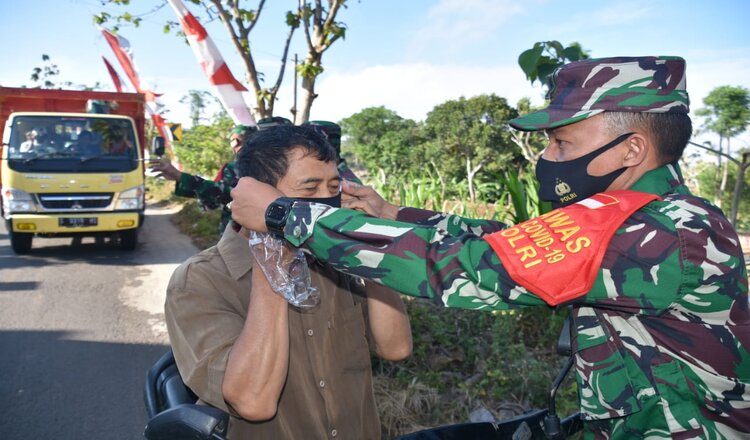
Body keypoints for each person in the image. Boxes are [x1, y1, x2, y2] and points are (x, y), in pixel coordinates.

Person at [229, 56, 750, 438]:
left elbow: (471, 268)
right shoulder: (629, 218)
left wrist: (283, 214)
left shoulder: (665, 232)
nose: (547, 156)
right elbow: (510, 243)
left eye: (562, 142)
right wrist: (393, 215)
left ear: (632, 148)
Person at [164, 124, 412, 439]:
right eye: (309, 190)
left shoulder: (333, 260)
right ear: (255, 195)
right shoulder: (200, 280)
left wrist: (372, 249)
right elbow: (253, 401)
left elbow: (395, 347)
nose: (326, 204)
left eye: (333, 187)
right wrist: (272, 262)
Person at [150, 124, 258, 234]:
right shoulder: (237, 167)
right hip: (238, 235)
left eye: (236, 141)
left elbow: (223, 193)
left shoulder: (247, 168)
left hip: (244, 237)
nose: (235, 146)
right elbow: (214, 196)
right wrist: (180, 179)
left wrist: (181, 176)